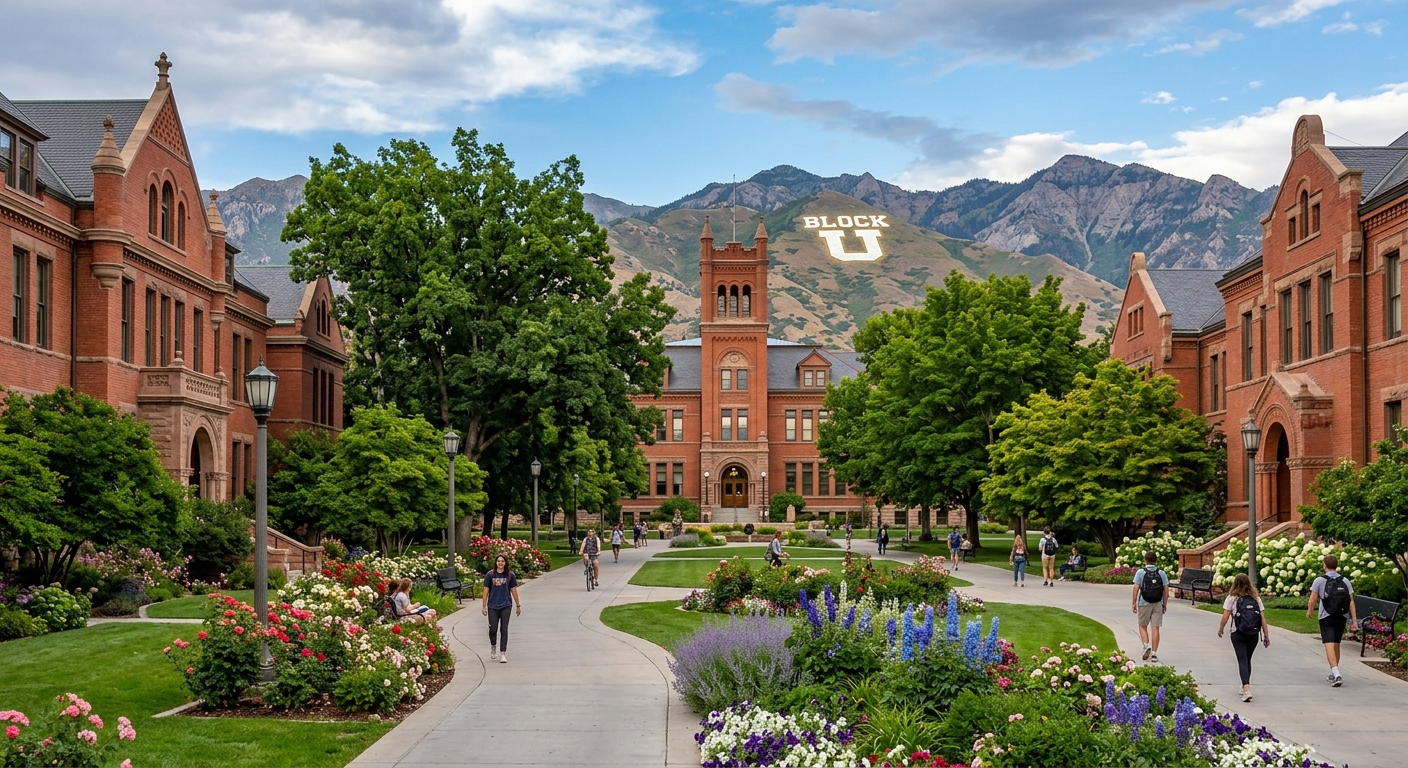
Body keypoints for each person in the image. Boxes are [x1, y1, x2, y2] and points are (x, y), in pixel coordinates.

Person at [1307, 554, 1359, 687]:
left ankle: (1336, 674)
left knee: (1328, 643)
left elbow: (1313, 598)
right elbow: (1351, 601)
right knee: (1336, 643)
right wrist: (1354, 620)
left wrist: (1309, 611)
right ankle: (1334, 671)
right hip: (1341, 616)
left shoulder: (1319, 580)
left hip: (1326, 616)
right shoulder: (1345, 581)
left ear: (1324, 565)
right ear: (1336, 566)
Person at [1218, 573, 1270, 701]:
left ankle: (1246, 689)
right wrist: (1266, 635)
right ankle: (1244, 685)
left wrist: (1221, 629)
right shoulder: (1255, 598)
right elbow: (1262, 618)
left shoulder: (1232, 598)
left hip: (1238, 632)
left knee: (1242, 660)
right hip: (1253, 634)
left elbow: (1225, 616)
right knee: (1247, 659)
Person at [481, 554, 521, 663]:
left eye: (502, 561)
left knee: (504, 629)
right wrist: (484, 606)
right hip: (493, 606)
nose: (500, 563)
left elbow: (514, 590)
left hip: (506, 605)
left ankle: (503, 653)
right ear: (495, 562)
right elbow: (485, 591)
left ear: (505, 563)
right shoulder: (490, 575)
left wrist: (518, 605)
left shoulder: (510, 575)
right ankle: (493, 645)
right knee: (493, 629)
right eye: (498, 561)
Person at [1132, 551, 1169, 662]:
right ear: (1155, 560)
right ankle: (1154, 654)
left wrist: (1134, 603)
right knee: (1155, 628)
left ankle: (1146, 645)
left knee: (1142, 625)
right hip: (1157, 603)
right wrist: (1164, 603)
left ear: (1145, 560)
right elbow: (1166, 590)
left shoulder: (1140, 572)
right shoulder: (1161, 573)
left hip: (1144, 602)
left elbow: (1136, 588)